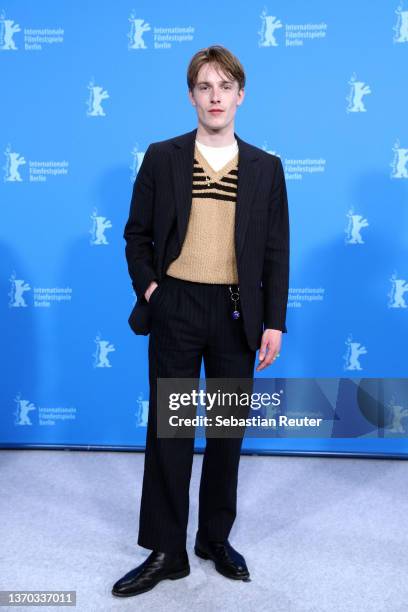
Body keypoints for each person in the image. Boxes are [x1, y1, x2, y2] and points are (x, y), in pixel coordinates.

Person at [112, 44, 290, 598]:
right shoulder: (163, 157)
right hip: (178, 306)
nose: (215, 97)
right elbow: (136, 235)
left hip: (239, 311)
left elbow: (276, 252)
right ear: (192, 95)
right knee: (171, 429)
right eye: (205, 87)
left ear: (241, 95)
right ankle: (167, 549)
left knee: (227, 431)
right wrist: (152, 288)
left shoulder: (266, 167)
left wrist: (274, 322)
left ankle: (214, 537)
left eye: (225, 87)